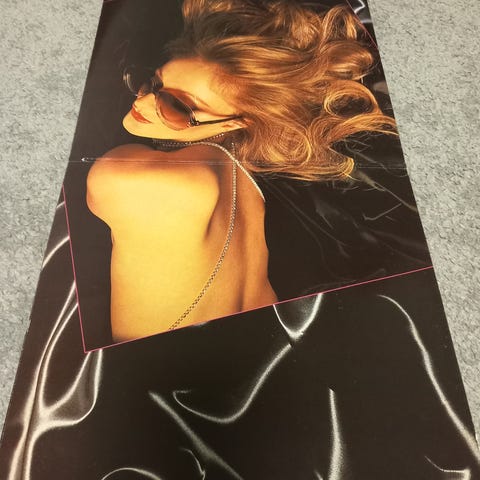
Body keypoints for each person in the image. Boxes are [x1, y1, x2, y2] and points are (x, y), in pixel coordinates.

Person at [86, 0, 397, 342]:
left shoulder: (135, 179)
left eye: (176, 105)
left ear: (235, 123)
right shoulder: (247, 182)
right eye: (154, 83)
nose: (141, 102)